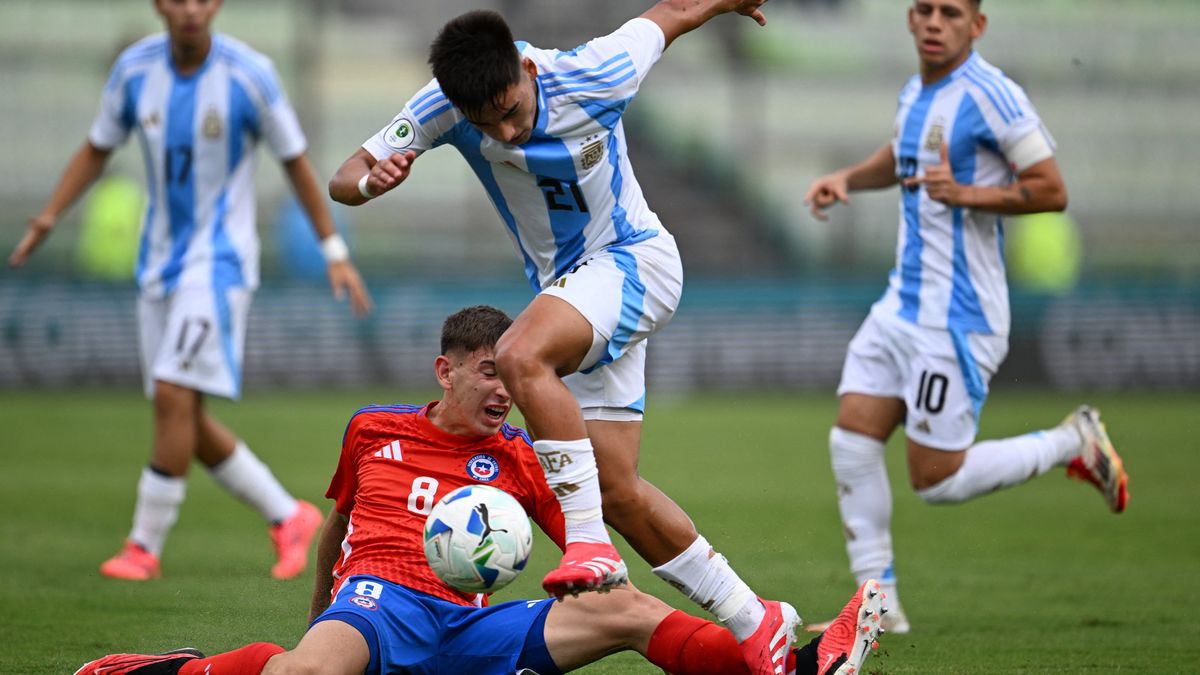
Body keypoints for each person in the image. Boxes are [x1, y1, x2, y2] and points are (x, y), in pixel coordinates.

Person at [327, 3, 801, 672]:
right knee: (616, 490)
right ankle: (757, 620)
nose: (506, 132)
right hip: (576, 294)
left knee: (519, 354)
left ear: (526, 69)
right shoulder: (444, 104)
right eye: (486, 123)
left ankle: (588, 545)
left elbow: (672, 12)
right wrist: (368, 183)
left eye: (510, 111)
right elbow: (344, 176)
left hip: (635, 261)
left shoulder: (596, 72)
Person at [74, 305, 885, 675]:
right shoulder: (372, 430)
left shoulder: (526, 458)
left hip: (471, 628)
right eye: (491, 373)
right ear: (447, 369)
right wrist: (324, 619)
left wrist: (714, 606)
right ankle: (174, 670)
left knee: (630, 611)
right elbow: (336, 528)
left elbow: (597, 552)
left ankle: (789, 657)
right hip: (378, 608)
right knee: (303, 672)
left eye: (515, 377)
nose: (507, 391)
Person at [9, 0, 373, 582]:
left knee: (172, 392)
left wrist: (333, 249)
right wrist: (50, 216)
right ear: (160, 5)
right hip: (158, 265)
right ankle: (289, 516)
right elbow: (98, 147)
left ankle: (143, 546)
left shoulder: (249, 74)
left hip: (219, 264)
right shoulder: (134, 70)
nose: (190, 9)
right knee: (180, 413)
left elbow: (296, 162)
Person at [801, 0, 1129, 634]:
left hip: (958, 317)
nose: (934, 22)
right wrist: (849, 178)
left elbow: (1052, 188)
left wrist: (970, 194)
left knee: (936, 480)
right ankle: (879, 607)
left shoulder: (992, 95)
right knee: (852, 440)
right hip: (902, 303)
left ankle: (1071, 442)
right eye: (924, 9)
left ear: (976, 26)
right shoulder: (916, 91)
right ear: (908, 18)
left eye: (950, 13)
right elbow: (902, 153)